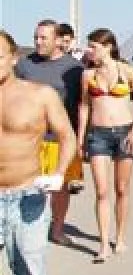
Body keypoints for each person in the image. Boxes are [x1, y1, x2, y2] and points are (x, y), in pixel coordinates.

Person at [0, 29, 77, 275]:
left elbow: (67, 136)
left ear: (13, 57)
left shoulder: (40, 95)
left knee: (28, 269)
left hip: (26, 197)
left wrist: (59, 173)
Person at [78, 28, 133, 263]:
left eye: (94, 47)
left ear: (108, 47)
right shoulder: (88, 75)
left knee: (122, 189)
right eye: (89, 47)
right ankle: (102, 244)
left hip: (125, 134)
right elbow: (85, 107)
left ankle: (119, 238)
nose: (90, 51)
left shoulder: (126, 71)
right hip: (98, 135)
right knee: (101, 191)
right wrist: (81, 139)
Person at [15, 19, 85, 244]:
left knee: (60, 188)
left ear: (57, 40)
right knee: (24, 186)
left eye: (43, 38)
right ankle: (22, 231)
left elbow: (81, 106)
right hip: (28, 139)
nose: (38, 42)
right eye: (36, 37)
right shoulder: (25, 65)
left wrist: (82, 140)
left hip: (59, 139)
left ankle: (56, 230)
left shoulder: (74, 68)